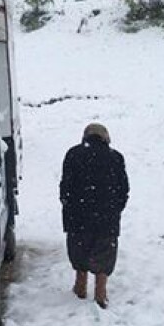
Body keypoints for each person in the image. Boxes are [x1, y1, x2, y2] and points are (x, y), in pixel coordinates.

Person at [60, 123, 129, 309]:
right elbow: (123, 190)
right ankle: (101, 291)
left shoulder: (73, 155)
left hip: (78, 217)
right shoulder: (115, 158)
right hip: (106, 219)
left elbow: (65, 187)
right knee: (105, 253)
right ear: (106, 138)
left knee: (79, 251)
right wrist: (115, 210)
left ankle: (80, 286)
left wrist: (69, 206)